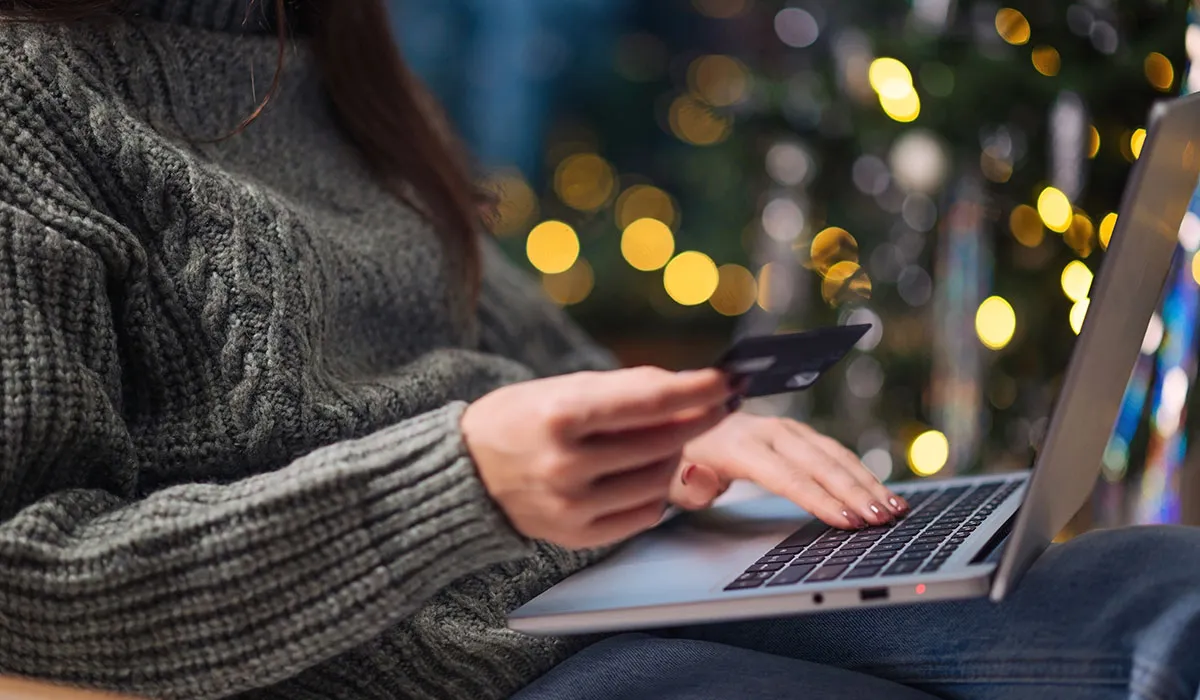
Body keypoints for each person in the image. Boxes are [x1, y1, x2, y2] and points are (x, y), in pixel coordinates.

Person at [0, 1, 1195, 699]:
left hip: (619, 568)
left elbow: (531, 351)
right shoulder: (28, 101)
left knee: (1161, 600)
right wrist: (454, 485)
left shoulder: (312, 49)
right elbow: (26, 579)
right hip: (440, 655)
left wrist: (668, 427)